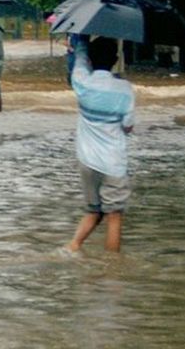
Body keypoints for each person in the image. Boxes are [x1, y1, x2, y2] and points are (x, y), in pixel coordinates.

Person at [66, 36, 135, 253]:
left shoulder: (82, 82)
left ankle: (72, 247)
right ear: (116, 59)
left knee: (93, 211)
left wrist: (81, 40)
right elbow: (128, 126)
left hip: (86, 160)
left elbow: (79, 56)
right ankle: (111, 267)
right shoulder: (124, 89)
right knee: (114, 216)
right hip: (113, 162)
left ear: (91, 60)